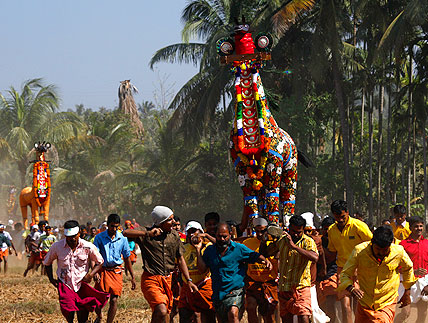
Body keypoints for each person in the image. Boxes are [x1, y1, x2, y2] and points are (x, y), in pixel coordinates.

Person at [123, 206, 198, 323]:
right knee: (161, 310)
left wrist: (188, 280)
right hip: (151, 279)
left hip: (168, 280)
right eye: (169, 219)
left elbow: (181, 259)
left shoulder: (174, 236)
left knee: (165, 314)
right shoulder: (146, 233)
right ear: (160, 223)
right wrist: (147, 233)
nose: (173, 222)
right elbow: (125, 233)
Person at [196, 222, 272, 323]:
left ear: (230, 235)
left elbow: (254, 255)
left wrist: (265, 260)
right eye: (219, 236)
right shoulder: (210, 250)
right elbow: (202, 269)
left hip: (235, 291)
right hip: (218, 292)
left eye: (225, 236)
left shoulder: (238, 248)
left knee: (233, 313)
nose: (222, 239)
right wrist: (198, 250)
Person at [338, 226, 416, 322]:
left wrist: (407, 293)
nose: (381, 253)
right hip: (364, 302)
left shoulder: (398, 251)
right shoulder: (359, 251)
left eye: (385, 250)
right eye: (378, 249)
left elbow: (408, 268)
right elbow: (344, 274)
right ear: (372, 243)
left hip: (387, 302)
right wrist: (351, 288)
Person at [43, 220, 109, 323]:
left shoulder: (88, 246)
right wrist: (51, 279)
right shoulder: (57, 247)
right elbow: (47, 262)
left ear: (79, 233)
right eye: (69, 236)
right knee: (68, 310)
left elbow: (100, 262)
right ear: (65, 235)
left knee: (83, 312)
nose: (72, 239)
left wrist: (91, 275)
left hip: (81, 283)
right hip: (65, 283)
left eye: (75, 236)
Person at [260, 215, 319, 323]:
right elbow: (266, 253)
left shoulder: (308, 241)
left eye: (299, 232)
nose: (296, 234)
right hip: (284, 287)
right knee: (286, 319)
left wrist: (295, 247)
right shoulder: (282, 240)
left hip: (301, 286)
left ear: (303, 230)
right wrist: (264, 241)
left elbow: (315, 257)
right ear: (289, 229)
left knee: (303, 316)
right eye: (293, 231)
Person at [327, 200, 372, 323]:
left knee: (358, 305)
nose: (340, 220)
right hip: (343, 270)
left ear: (347, 212)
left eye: (342, 216)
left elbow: (373, 244)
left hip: (361, 270)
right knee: (345, 306)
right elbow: (332, 251)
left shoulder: (359, 226)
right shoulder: (331, 230)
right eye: (337, 217)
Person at [93, 214, 136, 323]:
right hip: (102, 270)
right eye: (112, 226)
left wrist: (132, 276)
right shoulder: (99, 237)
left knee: (114, 299)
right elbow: (95, 255)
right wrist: (95, 272)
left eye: (116, 226)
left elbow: (127, 257)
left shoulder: (122, 238)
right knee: (99, 300)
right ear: (107, 225)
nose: (114, 229)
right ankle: (99, 316)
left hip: (116, 271)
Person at [242, 217, 278, 323]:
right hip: (253, 283)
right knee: (250, 307)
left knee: (269, 315)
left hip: (269, 283)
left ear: (267, 230)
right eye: (257, 231)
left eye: (262, 231)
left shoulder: (274, 244)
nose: (259, 234)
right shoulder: (247, 243)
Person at [178, 221, 216, 323]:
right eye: (189, 232)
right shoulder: (183, 248)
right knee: (184, 315)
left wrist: (198, 249)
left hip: (204, 285)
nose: (192, 234)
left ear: (201, 232)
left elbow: (202, 269)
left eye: (195, 231)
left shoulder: (208, 247)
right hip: (187, 285)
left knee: (209, 314)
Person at [397, 216, 428, 322]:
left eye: (421, 226)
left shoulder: (427, 244)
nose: (419, 228)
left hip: (424, 282)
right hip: (407, 283)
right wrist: (413, 271)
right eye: (416, 226)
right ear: (410, 228)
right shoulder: (403, 245)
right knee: (406, 312)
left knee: (423, 313)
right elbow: (397, 266)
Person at [317, 216, 338, 323]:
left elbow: (331, 256)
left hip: (332, 274)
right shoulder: (318, 240)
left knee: (330, 304)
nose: (327, 231)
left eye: (330, 229)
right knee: (321, 306)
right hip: (318, 277)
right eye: (325, 229)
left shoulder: (337, 239)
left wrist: (321, 248)